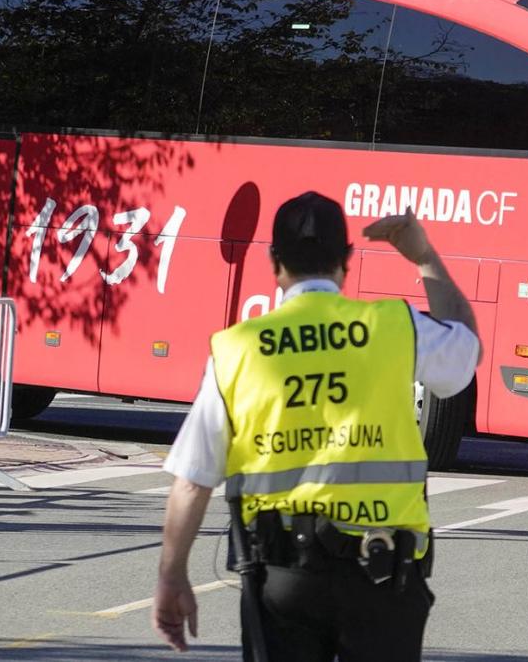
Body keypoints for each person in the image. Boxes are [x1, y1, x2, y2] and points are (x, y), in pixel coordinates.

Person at [153, 192, 480, 661]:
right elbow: (463, 354)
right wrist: (424, 257)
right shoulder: (393, 325)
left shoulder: (238, 349)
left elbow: (192, 481)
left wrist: (172, 575)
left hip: (283, 579)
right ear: (346, 260)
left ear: (274, 260)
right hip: (382, 578)